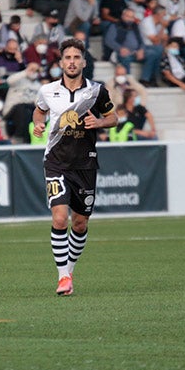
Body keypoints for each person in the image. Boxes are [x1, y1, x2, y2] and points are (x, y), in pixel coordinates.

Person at [32, 38, 117, 296]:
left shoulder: (96, 92)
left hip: (85, 163)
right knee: (60, 218)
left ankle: (69, 272)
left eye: (76, 58)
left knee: (80, 224)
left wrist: (99, 124)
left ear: (84, 62)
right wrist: (38, 124)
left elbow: (113, 117)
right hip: (56, 161)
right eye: (67, 58)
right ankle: (62, 277)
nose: (72, 62)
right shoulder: (47, 90)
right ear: (61, 62)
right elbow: (39, 111)